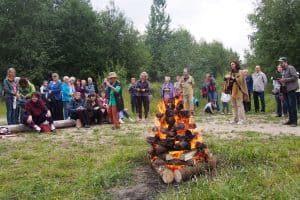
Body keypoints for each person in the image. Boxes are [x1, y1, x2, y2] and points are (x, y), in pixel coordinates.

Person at [278, 57, 298, 127]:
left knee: (292, 106)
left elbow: (295, 77)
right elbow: (284, 79)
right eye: (280, 62)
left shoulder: (291, 68)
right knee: (288, 106)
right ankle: (290, 120)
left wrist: (285, 80)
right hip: (285, 90)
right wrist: (280, 80)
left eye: (281, 62)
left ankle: (294, 122)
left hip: (291, 89)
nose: (280, 64)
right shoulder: (283, 70)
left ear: (286, 62)